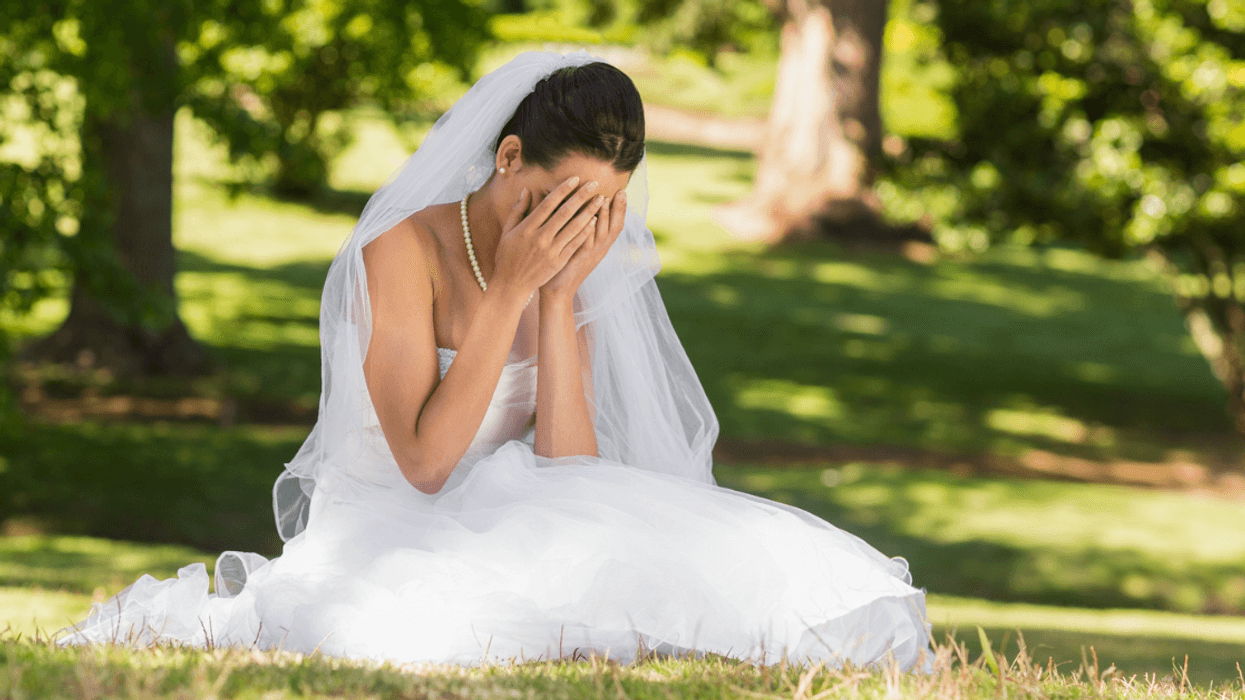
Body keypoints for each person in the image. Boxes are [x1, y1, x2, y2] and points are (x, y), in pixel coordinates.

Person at [58, 50, 933, 670]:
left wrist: (557, 298)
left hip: (517, 506)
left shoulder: (566, 266)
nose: (580, 226)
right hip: (394, 521)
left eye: (608, 205)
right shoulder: (398, 255)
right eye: (562, 201)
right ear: (507, 158)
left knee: (716, 568)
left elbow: (572, 472)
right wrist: (512, 290)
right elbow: (428, 464)